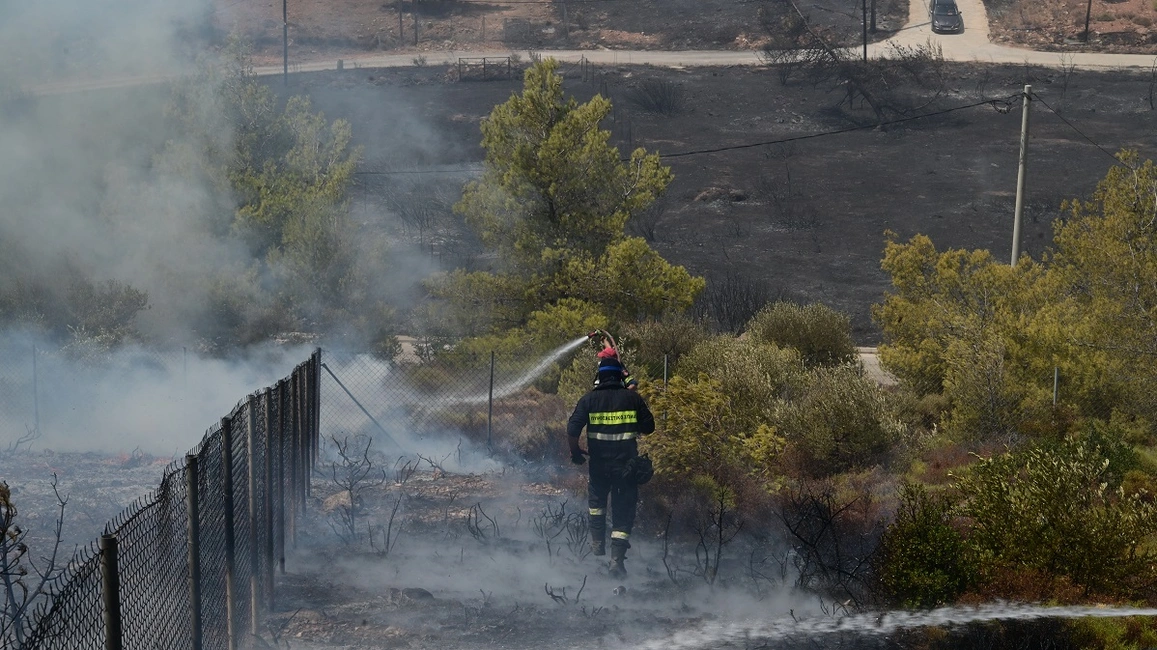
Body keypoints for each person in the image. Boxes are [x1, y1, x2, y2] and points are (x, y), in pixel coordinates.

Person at [567, 348, 655, 578]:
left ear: (599, 377)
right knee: (623, 511)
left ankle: (597, 547)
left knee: (597, 505)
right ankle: (617, 560)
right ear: (619, 377)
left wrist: (576, 452)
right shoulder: (632, 398)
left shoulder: (589, 399)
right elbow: (649, 428)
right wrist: (632, 395)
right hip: (627, 468)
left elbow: (572, 429)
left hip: (599, 466)